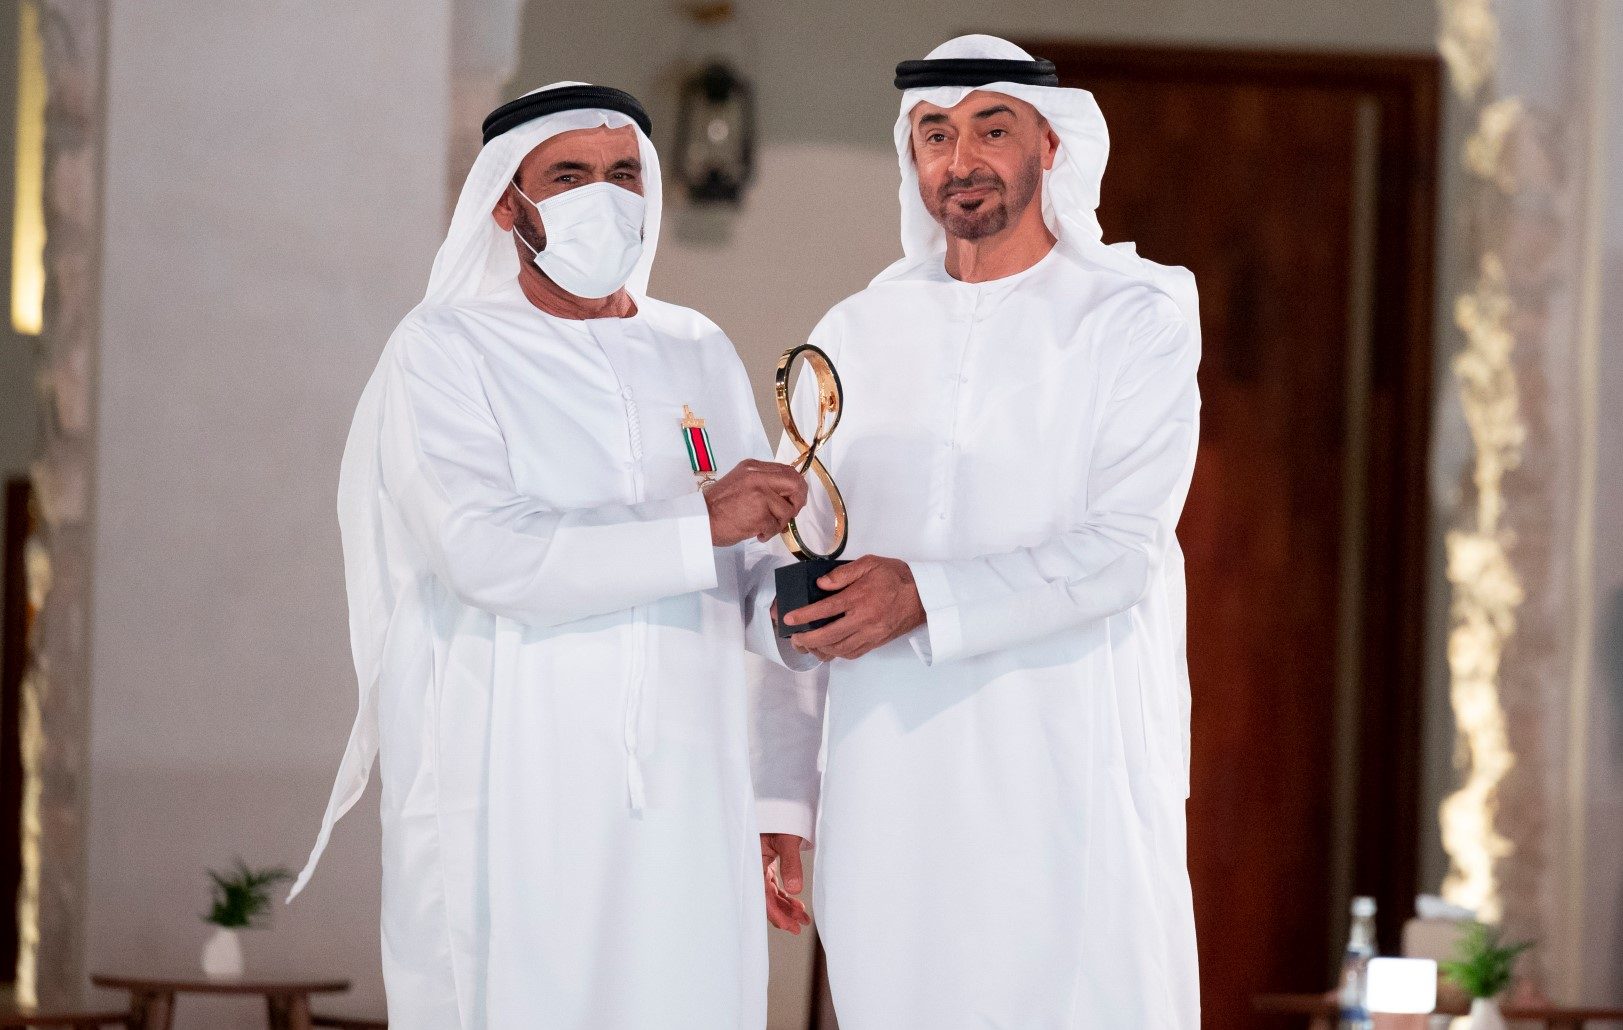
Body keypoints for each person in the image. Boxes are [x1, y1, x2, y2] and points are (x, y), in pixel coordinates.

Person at [290, 81, 811, 1030]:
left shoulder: (694, 348)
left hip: (689, 790)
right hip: (516, 785)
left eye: (622, 174)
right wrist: (699, 524)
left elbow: (747, 580)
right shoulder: (445, 349)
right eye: (567, 176)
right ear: (506, 200)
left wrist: (811, 609)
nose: (600, 197)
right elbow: (487, 554)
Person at [754, 35, 1203, 1028]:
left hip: (1061, 757)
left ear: (1050, 142)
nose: (963, 160)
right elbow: (800, 567)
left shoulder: (1134, 316)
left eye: (991, 129)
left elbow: (1120, 551)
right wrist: (782, 800)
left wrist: (923, 593)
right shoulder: (855, 331)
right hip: (888, 777)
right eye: (936, 135)